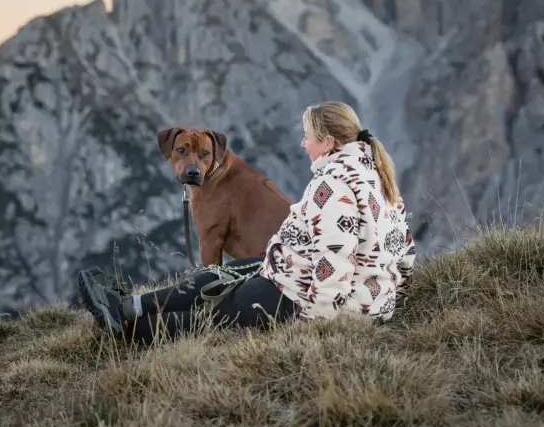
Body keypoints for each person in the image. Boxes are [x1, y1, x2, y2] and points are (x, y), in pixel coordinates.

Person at [76, 101, 418, 344]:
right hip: (328, 286)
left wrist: (317, 322)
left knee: (218, 310)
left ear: (328, 143)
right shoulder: (376, 174)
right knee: (221, 275)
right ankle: (128, 304)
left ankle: (125, 327)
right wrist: (391, 290)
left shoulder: (335, 186)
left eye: (308, 137)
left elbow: (334, 259)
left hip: (304, 299)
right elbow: (404, 251)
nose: (303, 143)